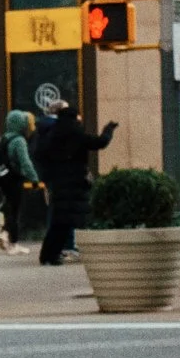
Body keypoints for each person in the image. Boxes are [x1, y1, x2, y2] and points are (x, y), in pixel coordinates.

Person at [33, 97, 116, 267]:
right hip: (75, 182)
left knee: (58, 221)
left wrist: (48, 174)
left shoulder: (52, 133)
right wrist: (109, 130)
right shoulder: (76, 133)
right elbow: (99, 142)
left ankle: (48, 254)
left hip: (58, 182)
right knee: (72, 219)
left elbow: (40, 154)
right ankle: (58, 252)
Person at [0, 110, 39, 255]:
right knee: (15, 211)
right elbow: (25, 163)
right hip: (14, 179)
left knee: (8, 208)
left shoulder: (3, 138)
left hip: (2, 178)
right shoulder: (19, 141)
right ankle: (12, 243)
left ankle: (5, 234)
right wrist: (34, 179)